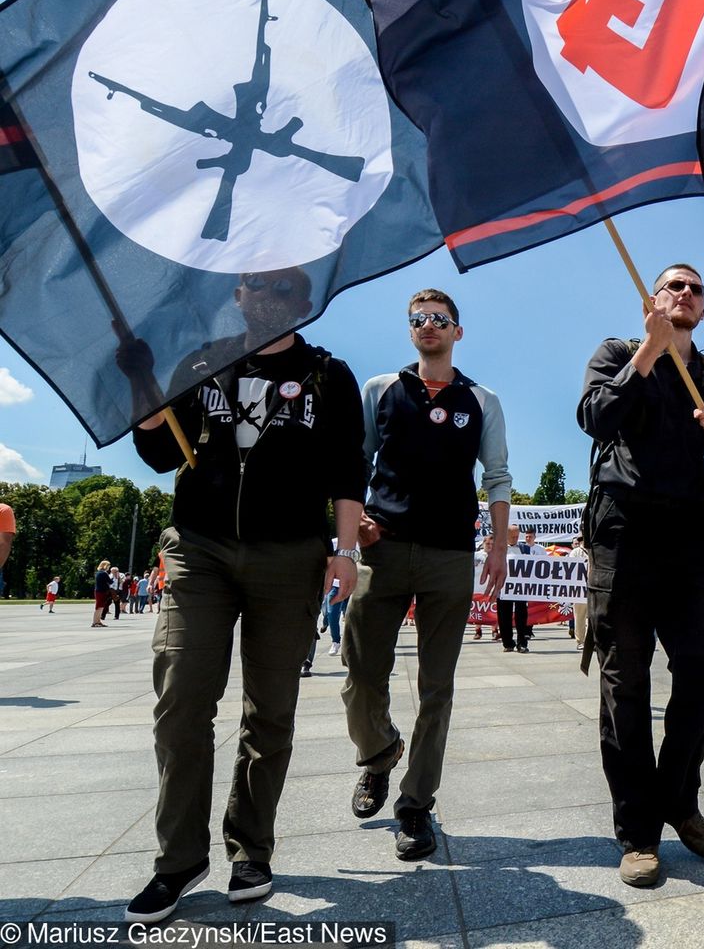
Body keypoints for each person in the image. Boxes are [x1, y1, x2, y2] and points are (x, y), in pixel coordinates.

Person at [119, 291, 366, 923]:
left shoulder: (328, 375)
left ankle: (250, 847)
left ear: (306, 299)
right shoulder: (199, 363)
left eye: (286, 286)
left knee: (271, 709)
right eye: (259, 284)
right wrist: (140, 380)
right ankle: (178, 859)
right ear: (238, 294)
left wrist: (344, 551)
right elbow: (156, 452)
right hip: (199, 547)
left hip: (289, 556)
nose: (271, 298)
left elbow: (346, 473)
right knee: (180, 698)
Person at [578, 262, 704, 887]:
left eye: (696, 288)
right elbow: (595, 417)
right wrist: (648, 354)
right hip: (624, 532)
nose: (685, 293)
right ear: (652, 300)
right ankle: (638, 831)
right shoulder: (618, 352)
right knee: (624, 685)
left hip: (690, 533)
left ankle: (678, 796)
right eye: (673, 285)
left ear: (703, 309)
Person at [343, 289, 512, 863]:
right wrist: (355, 524)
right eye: (418, 320)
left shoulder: (482, 399)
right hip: (382, 548)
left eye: (439, 319)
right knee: (361, 673)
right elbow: (356, 463)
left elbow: (497, 475)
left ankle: (415, 805)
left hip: (449, 556)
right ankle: (378, 753)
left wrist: (497, 544)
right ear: (409, 330)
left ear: (457, 332)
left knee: (437, 688)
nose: (428, 326)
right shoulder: (379, 390)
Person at [495, 526, 529, 654]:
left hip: (520, 588)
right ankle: (508, 643)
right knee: (504, 616)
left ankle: (522, 643)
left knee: (521, 616)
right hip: (503, 588)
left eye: (517, 536)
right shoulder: (499, 549)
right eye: (513, 536)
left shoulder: (524, 548)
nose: (515, 538)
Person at [92, 560, 112, 628]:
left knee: (100, 607)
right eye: (108, 566)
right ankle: (95, 622)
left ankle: (98, 621)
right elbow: (110, 581)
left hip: (99, 591)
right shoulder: (104, 573)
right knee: (99, 607)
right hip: (101, 591)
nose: (109, 567)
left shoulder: (98, 573)